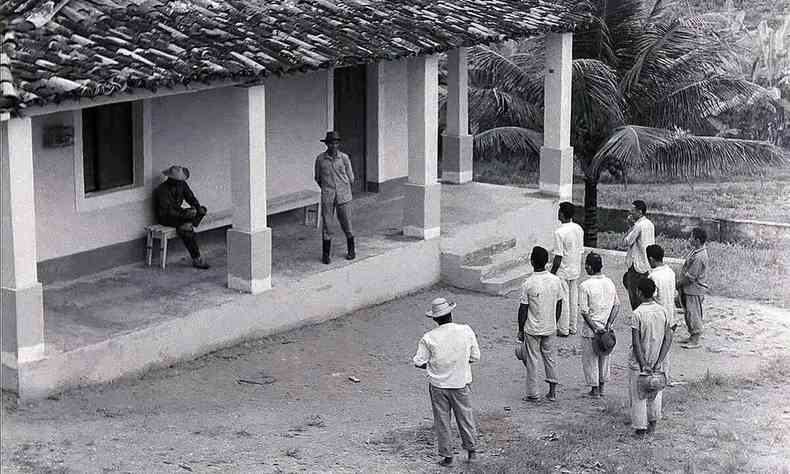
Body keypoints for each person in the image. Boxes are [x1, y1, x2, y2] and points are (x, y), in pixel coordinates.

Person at [413, 297, 480, 467]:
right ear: (451, 313)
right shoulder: (466, 330)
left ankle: (447, 456)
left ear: (434, 318)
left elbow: (419, 361)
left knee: (442, 420)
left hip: (438, 385)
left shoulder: (428, 337)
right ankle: (472, 452)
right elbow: (475, 356)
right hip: (460, 383)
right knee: (465, 417)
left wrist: (434, 367)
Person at [517, 246, 563, 402]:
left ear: (531, 262)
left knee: (532, 360)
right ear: (547, 262)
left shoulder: (528, 283)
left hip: (532, 328)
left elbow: (523, 309)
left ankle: (533, 394)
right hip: (550, 326)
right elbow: (559, 304)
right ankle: (552, 392)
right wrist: (554, 322)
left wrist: (520, 330)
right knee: (550, 358)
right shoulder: (556, 281)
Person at [629, 278, 672, 437]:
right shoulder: (663, 311)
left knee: (638, 393)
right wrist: (660, 360)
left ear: (640, 292)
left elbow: (636, 342)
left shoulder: (637, 313)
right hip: (656, 358)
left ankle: (640, 428)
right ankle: (653, 424)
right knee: (655, 390)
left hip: (640, 361)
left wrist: (642, 364)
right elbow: (668, 337)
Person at [578, 252, 621, 397]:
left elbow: (584, 312)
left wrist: (595, 328)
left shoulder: (585, 285)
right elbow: (616, 305)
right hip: (607, 330)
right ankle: (602, 388)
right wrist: (608, 324)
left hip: (592, 330)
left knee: (590, 360)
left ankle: (594, 389)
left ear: (589, 267)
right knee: (604, 357)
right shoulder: (609, 282)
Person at [153, 165, 209, 269]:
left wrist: (197, 207)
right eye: (177, 180)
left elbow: (190, 198)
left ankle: (189, 224)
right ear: (170, 179)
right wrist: (185, 215)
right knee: (187, 232)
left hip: (179, 213)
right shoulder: (162, 190)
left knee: (203, 210)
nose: (179, 182)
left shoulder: (182, 185)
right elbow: (168, 212)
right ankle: (197, 259)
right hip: (166, 217)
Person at [314, 131, 355, 264]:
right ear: (326, 144)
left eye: (336, 143)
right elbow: (318, 178)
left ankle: (351, 250)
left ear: (339, 144)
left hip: (344, 195)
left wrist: (344, 186)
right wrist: (327, 189)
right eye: (331, 143)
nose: (333, 145)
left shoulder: (344, 158)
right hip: (328, 196)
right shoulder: (320, 159)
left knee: (347, 223)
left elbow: (351, 177)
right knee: (327, 225)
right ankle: (326, 255)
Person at [551, 201, 585, 337]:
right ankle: (572, 326)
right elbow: (581, 250)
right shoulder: (578, 228)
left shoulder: (559, 232)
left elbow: (558, 256)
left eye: (559, 211)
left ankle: (563, 328)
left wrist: (553, 272)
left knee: (564, 299)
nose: (558, 214)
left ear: (563, 214)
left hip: (563, 270)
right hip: (575, 268)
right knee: (573, 298)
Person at [647, 244, 679, 384]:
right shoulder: (670, 272)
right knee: (666, 348)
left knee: (655, 348)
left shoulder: (653, 276)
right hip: (671, 314)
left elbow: (651, 296)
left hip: (659, 316)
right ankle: (665, 375)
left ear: (652, 259)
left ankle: (656, 375)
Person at [677, 227, 709, 349]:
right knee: (688, 313)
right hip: (688, 289)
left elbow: (691, 277)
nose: (689, 239)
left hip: (694, 289)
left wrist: (678, 284)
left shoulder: (700, 256)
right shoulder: (696, 252)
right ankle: (691, 336)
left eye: (691, 237)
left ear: (697, 240)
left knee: (693, 313)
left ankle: (695, 339)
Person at [622, 200, 655, 310]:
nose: (630, 214)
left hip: (636, 266)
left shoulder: (638, 225)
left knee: (635, 296)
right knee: (644, 296)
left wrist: (630, 225)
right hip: (646, 264)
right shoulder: (650, 224)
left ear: (639, 212)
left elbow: (627, 241)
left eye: (632, 211)